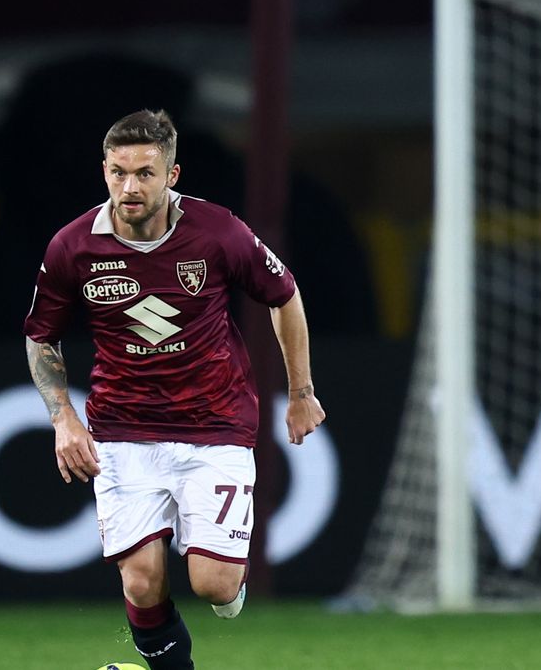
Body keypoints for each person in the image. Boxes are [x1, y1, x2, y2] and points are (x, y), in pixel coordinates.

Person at [23, 109, 326, 670]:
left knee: (212, 585)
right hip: (122, 429)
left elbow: (284, 295)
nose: (129, 186)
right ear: (104, 171)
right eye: (118, 172)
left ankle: (225, 584)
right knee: (141, 584)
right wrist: (63, 417)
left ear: (172, 175)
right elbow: (42, 338)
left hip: (215, 424)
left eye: (144, 173)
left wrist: (301, 391)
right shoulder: (72, 247)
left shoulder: (217, 232)